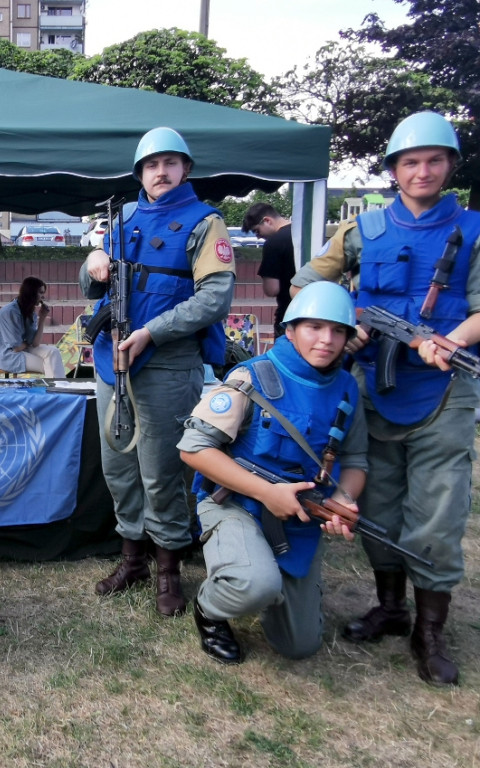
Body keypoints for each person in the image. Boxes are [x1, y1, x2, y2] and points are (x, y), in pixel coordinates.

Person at [290, 111, 480, 686]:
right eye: (409, 162)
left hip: (445, 390)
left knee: (438, 512)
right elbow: (305, 283)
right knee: (378, 504)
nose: (421, 171)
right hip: (374, 387)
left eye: (433, 160)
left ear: (450, 166)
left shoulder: (473, 230)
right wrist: (348, 321)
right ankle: (391, 607)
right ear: (394, 170)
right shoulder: (361, 231)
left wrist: (451, 342)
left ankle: (429, 632)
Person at [80, 127, 235, 615]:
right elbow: (89, 287)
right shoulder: (122, 218)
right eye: (151, 164)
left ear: (185, 169)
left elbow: (215, 298)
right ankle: (133, 559)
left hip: (166, 363)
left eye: (170, 162)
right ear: (140, 172)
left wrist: (153, 332)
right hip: (112, 361)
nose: (160, 172)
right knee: (118, 467)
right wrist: (93, 261)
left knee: (162, 470)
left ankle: (169, 566)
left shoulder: (205, 223)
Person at [179, 281, 367, 663]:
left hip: (299, 516)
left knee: (299, 646)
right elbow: (193, 448)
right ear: (290, 329)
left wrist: (342, 500)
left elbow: (357, 458)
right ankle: (210, 609)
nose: (326, 340)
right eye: (314, 327)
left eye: (338, 330)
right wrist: (266, 493)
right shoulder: (253, 376)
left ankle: (266, 582)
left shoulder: (347, 388)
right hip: (235, 505)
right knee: (255, 584)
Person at [0, 276, 66, 377]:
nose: (43, 297)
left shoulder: (29, 311)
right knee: (49, 364)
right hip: (6, 355)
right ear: (31, 293)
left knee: (53, 352)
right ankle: (56, 390)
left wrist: (42, 319)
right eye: (40, 293)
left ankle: (59, 388)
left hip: (22, 348)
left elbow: (35, 343)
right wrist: (28, 342)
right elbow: (16, 347)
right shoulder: (10, 312)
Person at [242, 202, 295, 338]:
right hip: (314, 312)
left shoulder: (273, 243)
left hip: (288, 315)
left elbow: (272, 289)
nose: (258, 237)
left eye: (257, 231)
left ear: (267, 221)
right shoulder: (305, 234)